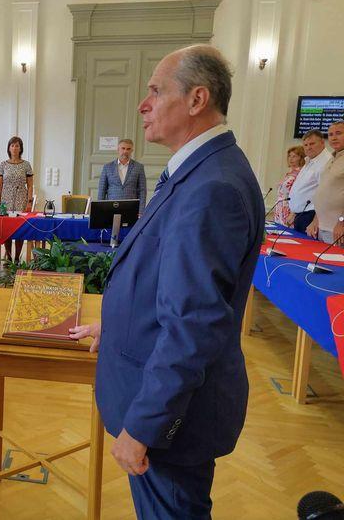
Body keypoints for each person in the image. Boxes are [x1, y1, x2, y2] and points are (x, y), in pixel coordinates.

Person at [70, 45, 264, 519]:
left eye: (156, 91)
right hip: (167, 401)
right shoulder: (200, 170)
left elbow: (194, 325)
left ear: (197, 99)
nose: (143, 104)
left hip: (173, 421)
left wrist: (144, 426)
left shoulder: (212, 187)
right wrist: (119, 325)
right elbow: (170, 285)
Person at [0, 136, 34, 261]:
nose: (14, 148)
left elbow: (30, 185)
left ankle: (17, 258)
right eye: (12, 145)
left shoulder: (26, 165)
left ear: (20, 148)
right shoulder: (3, 164)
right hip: (6, 199)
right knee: (7, 229)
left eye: (17, 146)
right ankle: (9, 257)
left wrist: (29, 202)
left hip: (21, 198)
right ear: (9, 148)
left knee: (19, 228)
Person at [286, 129, 331, 233]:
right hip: (301, 214)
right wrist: (294, 212)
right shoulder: (310, 160)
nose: (308, 147)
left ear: (322, 143)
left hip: (311, 216)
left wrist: (315, 221)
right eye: (305, 145)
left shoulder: (325, 163)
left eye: (312, 144)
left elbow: (325, 195)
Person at [307, 120, 344, 244]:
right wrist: (316, 220)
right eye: (331, 134)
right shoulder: (332, 158)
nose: (334, 138)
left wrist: (342, 221)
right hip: (321, 227)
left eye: (338, 133)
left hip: (338, 230)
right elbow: (324, 192)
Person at [97, 138, 147, 215]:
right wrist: (100, 209)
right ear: (118, 149)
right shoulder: (107, 167)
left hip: (131, 208)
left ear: (132, 151)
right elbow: (102, 190)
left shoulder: (139, 167)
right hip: (111, 207)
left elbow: (142, 190)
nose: (125, 151)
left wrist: (141, 211)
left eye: (128, 149)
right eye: (123, 148)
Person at [273, 145, 304, 225]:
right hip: (280, 207)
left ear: (301, 158)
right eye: (289, 156)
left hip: (289, 208)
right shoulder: (289, 173)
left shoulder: (301, 173)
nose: (291, 159)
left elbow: (299, 194)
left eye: (294, 156)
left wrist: (293, 213)